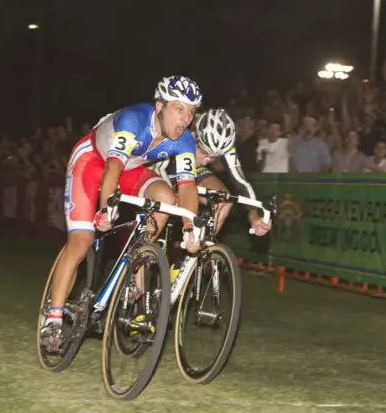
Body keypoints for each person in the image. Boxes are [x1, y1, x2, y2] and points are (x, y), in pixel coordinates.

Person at [40, 75, 203, 352]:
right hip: (92, 162)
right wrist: (106, 209)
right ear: (160, 106)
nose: (186, 118)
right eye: (180, 109)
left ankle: (136, 261)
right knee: (81, 240)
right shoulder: (133, 120)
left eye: (191, 111)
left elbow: (187, 187)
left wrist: (190, 225)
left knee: (165, 197)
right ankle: (53, 318)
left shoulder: (184, 140)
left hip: (130, 170)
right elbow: (112, 168)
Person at [153, 108, 272, 240]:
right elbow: (159, 167)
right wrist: (171, 193)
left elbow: (241, 182)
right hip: (163, 168)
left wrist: (254, 217)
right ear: (194, 135)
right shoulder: (182, 126)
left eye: (213, 158)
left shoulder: (224, 143)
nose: (206, 161)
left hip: (191, 172)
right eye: (204, 153)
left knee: (224, 201)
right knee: (164, 204)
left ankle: (198, 249)